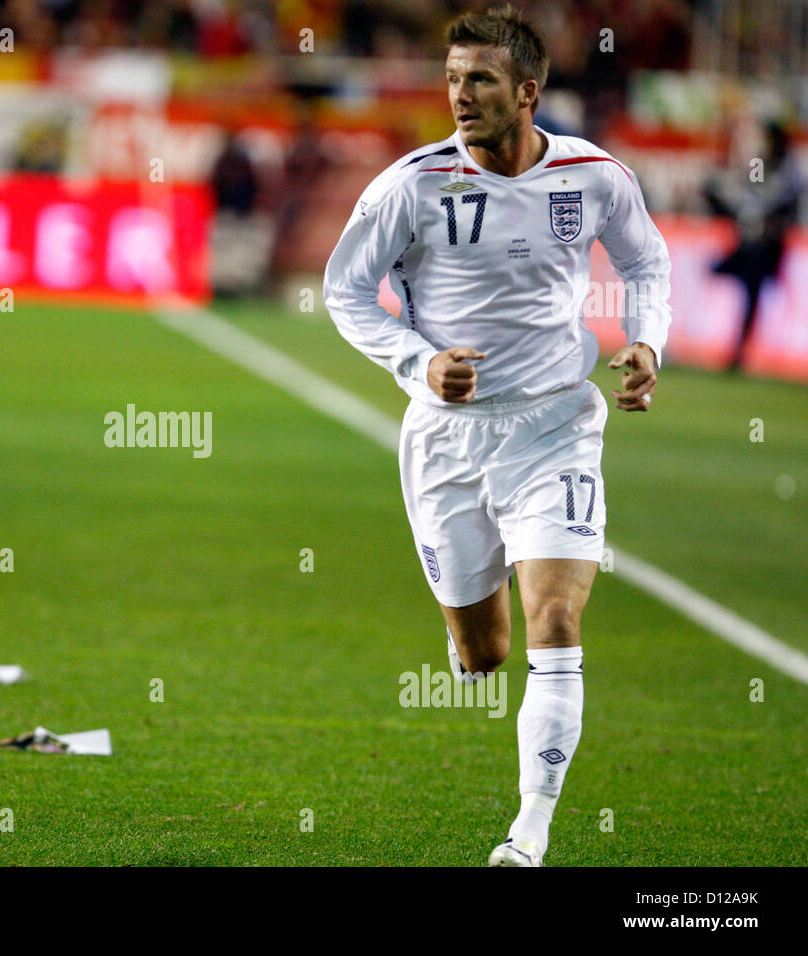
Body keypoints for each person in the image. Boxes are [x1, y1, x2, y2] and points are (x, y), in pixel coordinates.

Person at [323, 5, 670, 867]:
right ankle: (471, 627)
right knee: (484, 657)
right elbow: (346, 292)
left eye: (479, 79)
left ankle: (530, 833)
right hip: (447, 439)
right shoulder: (410, 185)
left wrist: (646, 338)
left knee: (557, 618)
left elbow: (647, 261)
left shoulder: (593, 177)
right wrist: (417, 363)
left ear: (528, 91)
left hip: (556, 424)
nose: (459, 96)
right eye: (451, 79)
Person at [704, 120, 804, 371]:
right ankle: (738, 351)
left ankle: (739, 352)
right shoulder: (762, 163)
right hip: (753, 239)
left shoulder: (788, 167)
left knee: (753, 294)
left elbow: (778, 199)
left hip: (768, 244)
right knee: (739, 285)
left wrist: (756, 215)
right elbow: (752, 192)